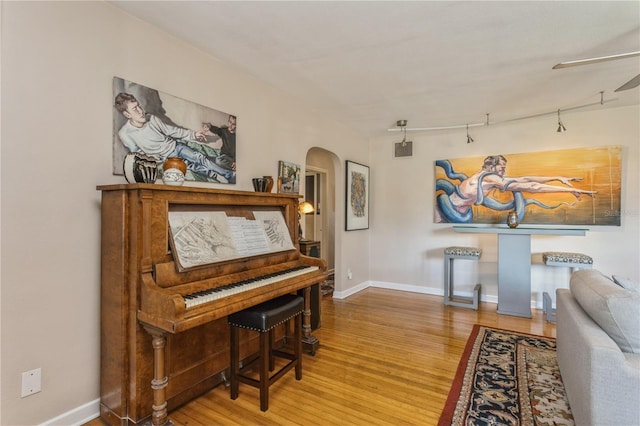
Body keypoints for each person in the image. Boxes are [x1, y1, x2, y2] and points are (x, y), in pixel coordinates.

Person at [114, 93, 235, 183]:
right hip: (165, 158)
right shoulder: (124, 133)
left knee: (199, 157)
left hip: (176, 146)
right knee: (193, 167)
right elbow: (136, 153)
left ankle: (228, 174)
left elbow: (171, 131)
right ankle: (216, 177)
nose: (140, 111)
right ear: (127, 114)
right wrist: (150, 158)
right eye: (135, 109)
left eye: (139, 106)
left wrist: (193, 135)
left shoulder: (151, 118)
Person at [436, 155, 596, 223]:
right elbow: (532, 187)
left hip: (460, 211)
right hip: (448, 209)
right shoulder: (490, 177)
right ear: (492, 166)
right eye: (502, 167)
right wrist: (568, 191)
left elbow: (526, 179)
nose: (503, 171)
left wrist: (557, 177)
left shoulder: (489, 178)